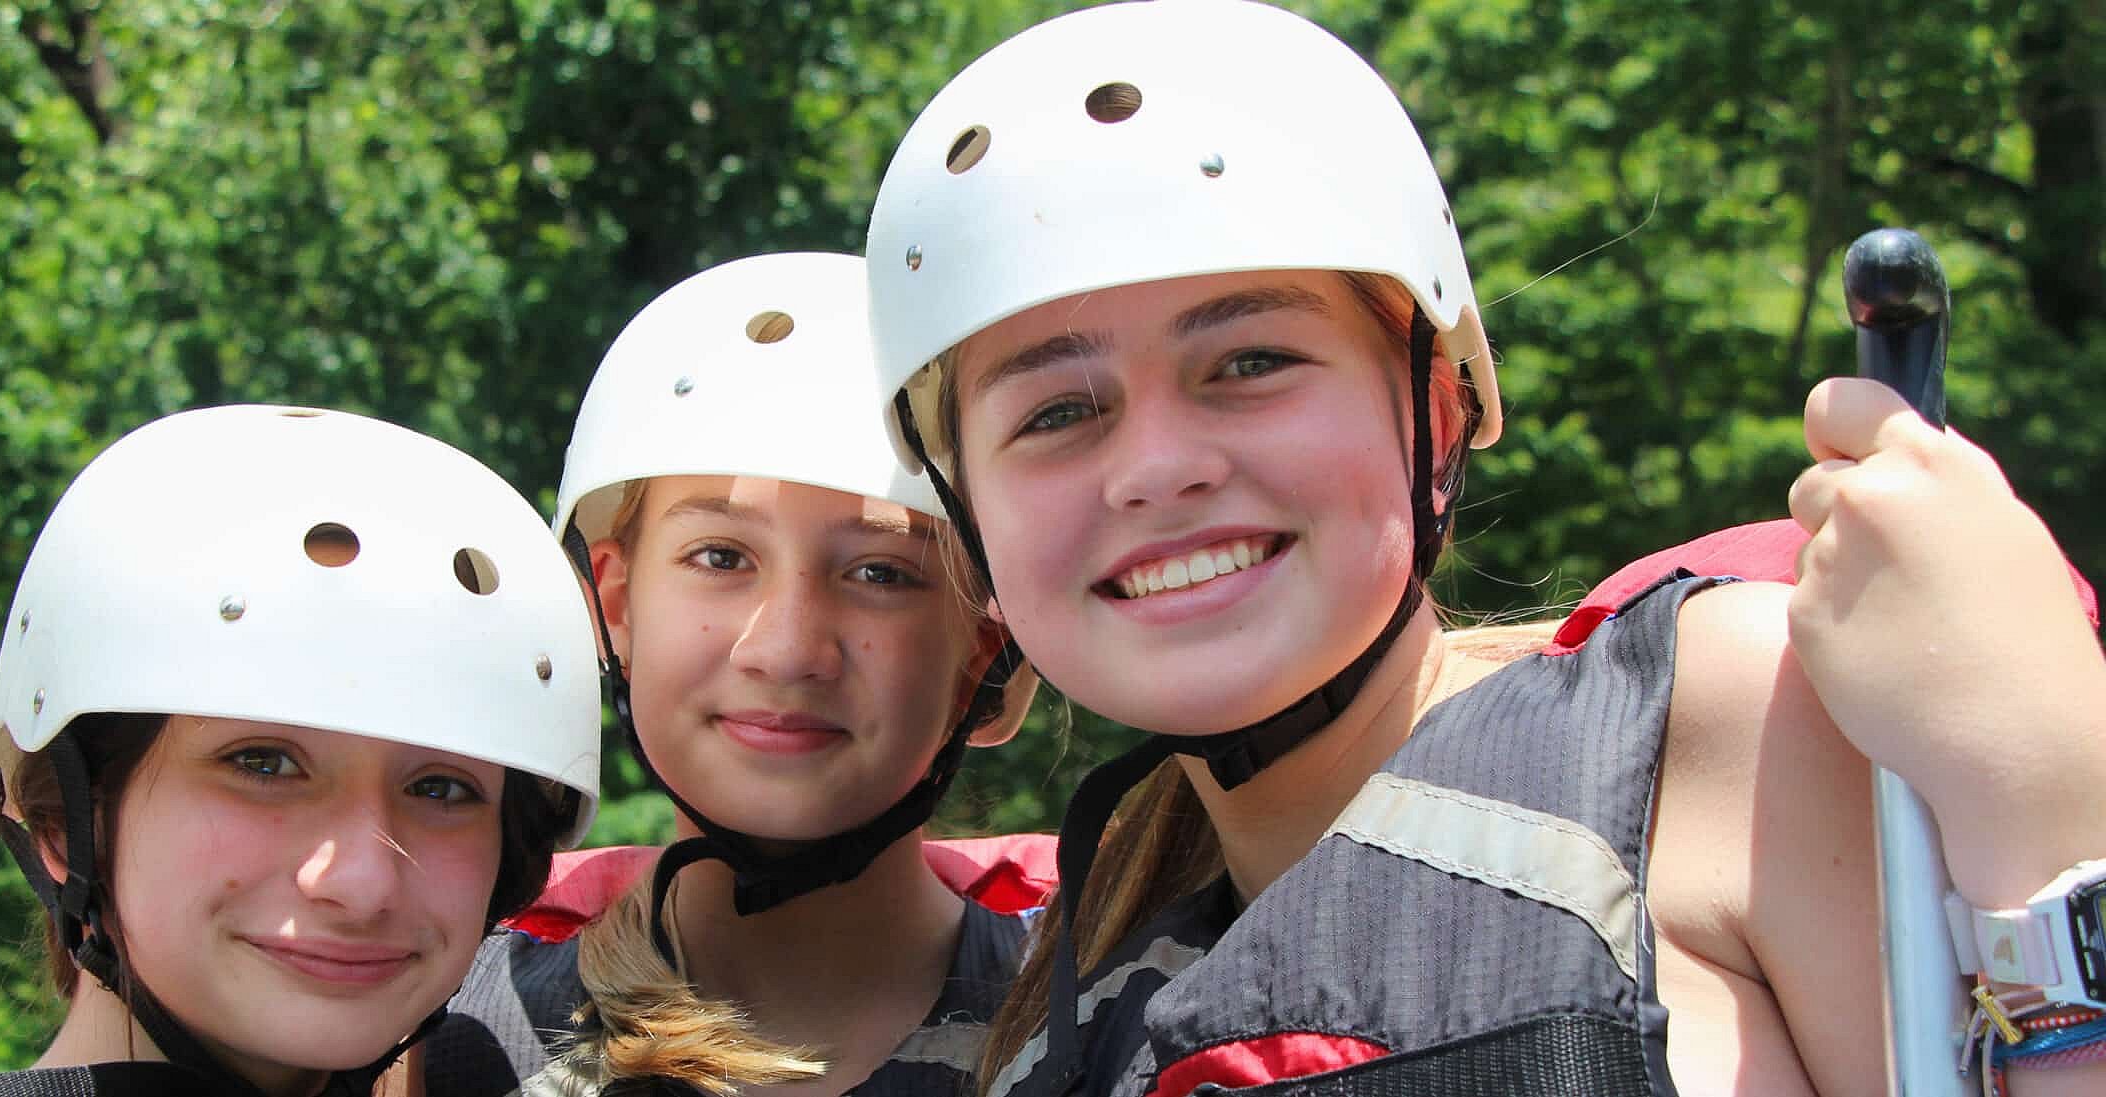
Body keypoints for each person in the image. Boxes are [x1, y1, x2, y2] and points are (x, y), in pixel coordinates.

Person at [859, 2, 2106, 1094]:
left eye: (1250, 361)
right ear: (971, 532)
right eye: (1058, 413)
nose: (1155, 465)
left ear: (1439, 415)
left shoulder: (1733, 720)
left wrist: (2050, 792)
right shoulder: (1047, 1010)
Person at [0, 405, 604, 1097]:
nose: (358, 879)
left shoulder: (546, 1045)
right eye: (262, 762)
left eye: (442, 786)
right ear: (63, 816)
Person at [422, 251, 1047, 1097]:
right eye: (720, 556)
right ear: (614, 606)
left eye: (879, 573)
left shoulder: (1110, 1024)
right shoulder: (450, 1038)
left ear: (982, 650)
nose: (786, 649)